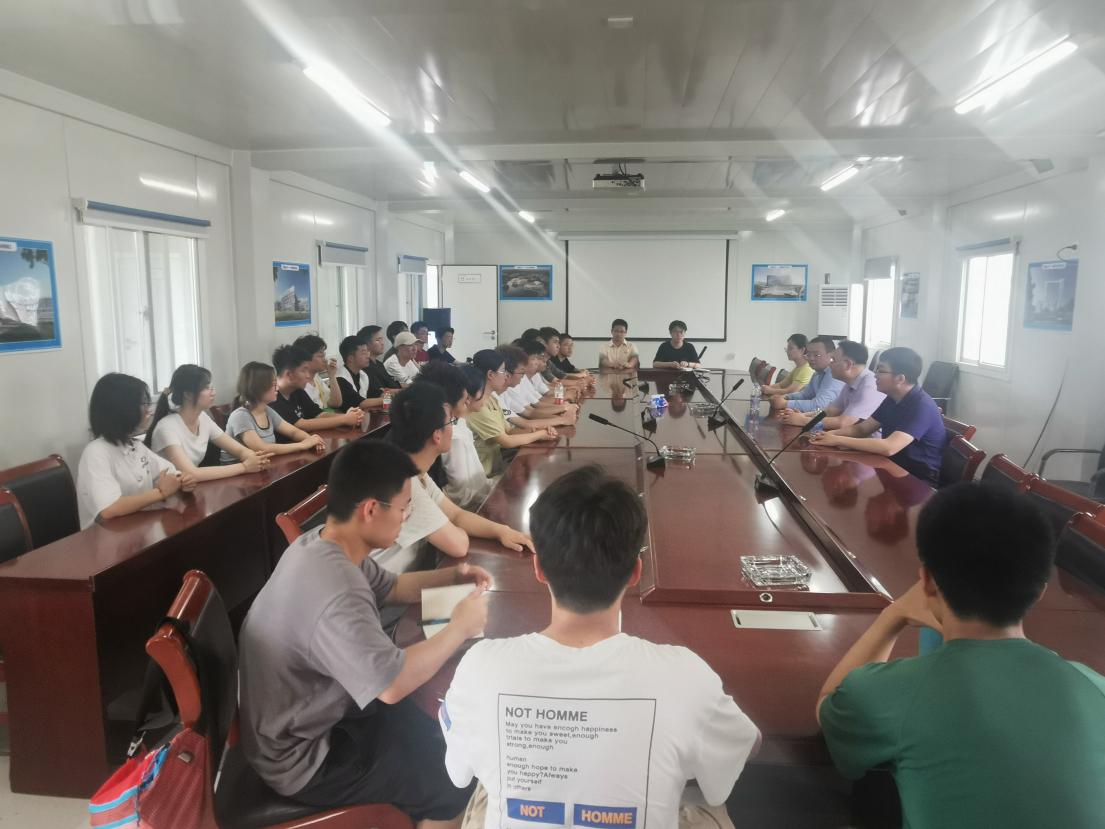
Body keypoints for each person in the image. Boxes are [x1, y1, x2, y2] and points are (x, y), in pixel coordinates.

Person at [441, 466, 761, 827]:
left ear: (539, 568)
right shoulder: (686, 676)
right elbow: (743, 747)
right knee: (707, 802)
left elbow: (459, 774)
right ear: (636, 572)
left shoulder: (480, 667)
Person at [817, 483, 1105, 829]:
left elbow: (828, 706)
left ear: (927, 581)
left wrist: (892, 616)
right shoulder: (1094, 685)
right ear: (1040, 591)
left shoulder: (894, 692)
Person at [238, 440, 490, 827]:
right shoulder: (335, 591)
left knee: (441, 735)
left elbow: (393, 587)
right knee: (454, 782)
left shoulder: (320, 544)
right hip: (307, 757)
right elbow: (391, 685)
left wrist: (453, 576)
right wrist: (460, 628)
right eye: (404, 508)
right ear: (371, 509)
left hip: (314, 715)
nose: (407, 517)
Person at [374, 382, 533, 574]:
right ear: (437, 436)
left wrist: (502, 531)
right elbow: (458, 545)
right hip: (385, 588)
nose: (454, 427)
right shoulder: (404, 483)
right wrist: (449, 526)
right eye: (451, 422)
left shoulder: (417, 472)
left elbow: (457, 515)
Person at [809, 347, 945, 485]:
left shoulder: (921, 406)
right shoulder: (892, 399)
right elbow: (861, 429)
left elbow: (889, 447)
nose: (875, 375)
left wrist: (837, 440)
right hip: (891, 468)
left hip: (917, 481)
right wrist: (828, 435)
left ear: (900, 378)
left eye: (880, 370)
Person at [77, 373, 197, 529]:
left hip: (139, 529)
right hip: (108, 537)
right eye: (144, 404)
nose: (149, 410)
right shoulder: (96, 452)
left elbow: (169, 474)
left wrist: (183, 480)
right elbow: (109, 509)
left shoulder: (135, 445)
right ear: (122, 409)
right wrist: (160, 493)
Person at [146, 364, 272, 480]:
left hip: (188, 488)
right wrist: (244, 467)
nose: (213, 392)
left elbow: (239, 450)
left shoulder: (203, 418)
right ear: (188, 394)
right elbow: (191, 473)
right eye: (207, 388)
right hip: (165, 493)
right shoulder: (166, 428)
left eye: (212, 387)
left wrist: (255, 459)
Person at [467, 349, 558, 476]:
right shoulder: (478, 406)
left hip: (496, 466)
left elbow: (509, 431)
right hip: (484, 475)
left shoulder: (492, 399)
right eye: (503, 371)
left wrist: (539, 430)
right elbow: (507, 441)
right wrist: (539, 434)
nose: (506, 376)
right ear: (490, 374)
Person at [415, 362, 493, 509]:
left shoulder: (454, 425)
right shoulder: (452, 435)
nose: (467, 400)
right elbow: (460, 495)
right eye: (465, 397)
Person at [221, 362, 326, 462]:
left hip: (264, 465)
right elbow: (261, 448)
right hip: (239, 471)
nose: (277, 388)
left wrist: (312, 440)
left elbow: (293, 432)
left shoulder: (267, 411)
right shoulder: (241, 416)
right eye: (274, 384)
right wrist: (303, 445)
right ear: (258, 388)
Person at [780, 340, 885, 432]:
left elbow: (843, 423)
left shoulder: (870, 385)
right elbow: (830, 410)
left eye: (833, 360)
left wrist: (803, 420)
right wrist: (802, 415)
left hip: (868, 445)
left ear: (848, 364)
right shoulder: (850, 383)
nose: (829, 365)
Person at [271, 344, 364, 437]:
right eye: (304, 371)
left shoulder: (297, 390)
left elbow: (318, 414)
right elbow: (301, 425)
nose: (308, 376)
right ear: (289, 374)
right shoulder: (272, 396)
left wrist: (351, 416)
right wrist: (344, 419)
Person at [496, 344, 576, 430]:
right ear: (507, 374)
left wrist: (561, 416)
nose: (523, 377)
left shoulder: (504, 393)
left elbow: (530, 412)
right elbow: (526, 420)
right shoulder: (496, 396)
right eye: (521, 372)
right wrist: (562, 418)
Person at [769, 335, 843, 412]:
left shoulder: (834, 375)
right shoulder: (817, 374)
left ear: (831, 355)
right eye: (809, 354)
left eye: (816, 355)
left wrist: (786, 403)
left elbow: (819, 406)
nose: (811, 358)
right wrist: (786, 397)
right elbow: (805, 394)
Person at [293, 333, 343, 410]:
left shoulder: (316, 379)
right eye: (320, 356)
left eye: (324, 356)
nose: (325, 360)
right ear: (306, 358)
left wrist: (332, 376)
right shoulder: (298, 386)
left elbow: (336, 403)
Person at [357, 325, 402, 395]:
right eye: (378, 340)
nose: (382, 343)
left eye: (382, 339)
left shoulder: (379, 364)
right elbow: (381, 392)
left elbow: (391, 385)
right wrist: (404, 392)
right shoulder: (366, 367)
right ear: (366, 344)